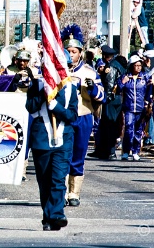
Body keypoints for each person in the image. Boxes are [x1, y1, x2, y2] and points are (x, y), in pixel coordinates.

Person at [26, 75, 79, 231]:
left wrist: (56, 106)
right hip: (42, 139)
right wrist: (44, 94)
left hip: (63, 139)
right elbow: (30, 107)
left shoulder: (70, 88)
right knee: (45, 181)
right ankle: (48, 218)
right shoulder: (37, 84)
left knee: (58, 178)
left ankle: (56, 213)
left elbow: (72, 116)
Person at [64, 37, 103, 207]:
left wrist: (92, 88)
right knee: (63, 155)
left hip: (83, 116)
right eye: (68, 51)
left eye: (74, 52)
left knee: (78, 154)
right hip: (63, 117)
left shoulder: (89, 72)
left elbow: (102, 96)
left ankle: (74, 193)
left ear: (80, 53)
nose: (71, 55)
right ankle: (62, 191)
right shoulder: (58, 70)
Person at [118, 55, 152, 161]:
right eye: (136, 65)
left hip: (141, 108)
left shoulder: (145, 77)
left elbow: (150, 90)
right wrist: (123, 83)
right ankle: (126, 151)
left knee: (138, 130)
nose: (138, 67)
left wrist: (147, 103)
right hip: (128, 107)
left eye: (139, 65)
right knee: (128, 128)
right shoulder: (125, 76)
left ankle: (136, 151)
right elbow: (118, 89)